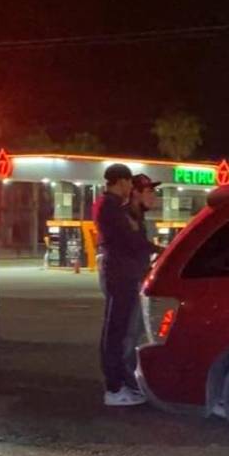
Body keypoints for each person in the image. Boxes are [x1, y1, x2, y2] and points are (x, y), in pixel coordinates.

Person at [95, 163, 155, 406]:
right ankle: (114, 388)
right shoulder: (111, 207)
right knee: (117, 332)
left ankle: (119, 384)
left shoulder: (113, 206)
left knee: (119, 331)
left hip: (123, 274)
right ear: (121, 181)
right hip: (120, 275)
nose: (130, 187)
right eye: (129, 182)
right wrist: (161, 249)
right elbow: (129, 241)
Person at [122, 173, 164, 383]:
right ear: (135, 193)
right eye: (149, 191)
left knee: (137, 328)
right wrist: (162, 250)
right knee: (131, 328)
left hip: (137, 275)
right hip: (129, 279)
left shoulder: (137, 216)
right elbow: (135, 244)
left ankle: (129, 375)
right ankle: (126, 378)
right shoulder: (126, 216)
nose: (153, 196)